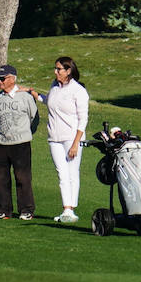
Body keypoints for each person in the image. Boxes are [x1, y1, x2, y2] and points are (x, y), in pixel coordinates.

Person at [24, 56, 90, 224]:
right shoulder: (54, 86)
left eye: (59, 69)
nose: (55, 72)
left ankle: (70, 209)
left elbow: (83, 119)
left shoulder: (78, 91)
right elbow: (50, 101)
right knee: (62, 173)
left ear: (68, 71)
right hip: (54, 137)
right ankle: (66, 209)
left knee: (72, 173)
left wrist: (76, 143)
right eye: (55, 68)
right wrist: (34, 94)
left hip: (72, 138)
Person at [0, 63, 40, 220]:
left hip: (21, 144)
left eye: (2, 79)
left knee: (23, 177)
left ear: (12, 78)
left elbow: (34, 118)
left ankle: (26, 210)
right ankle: (4, 210)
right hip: (0, 143)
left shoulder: (26, 97)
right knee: (0, 179)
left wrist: (24, 133)